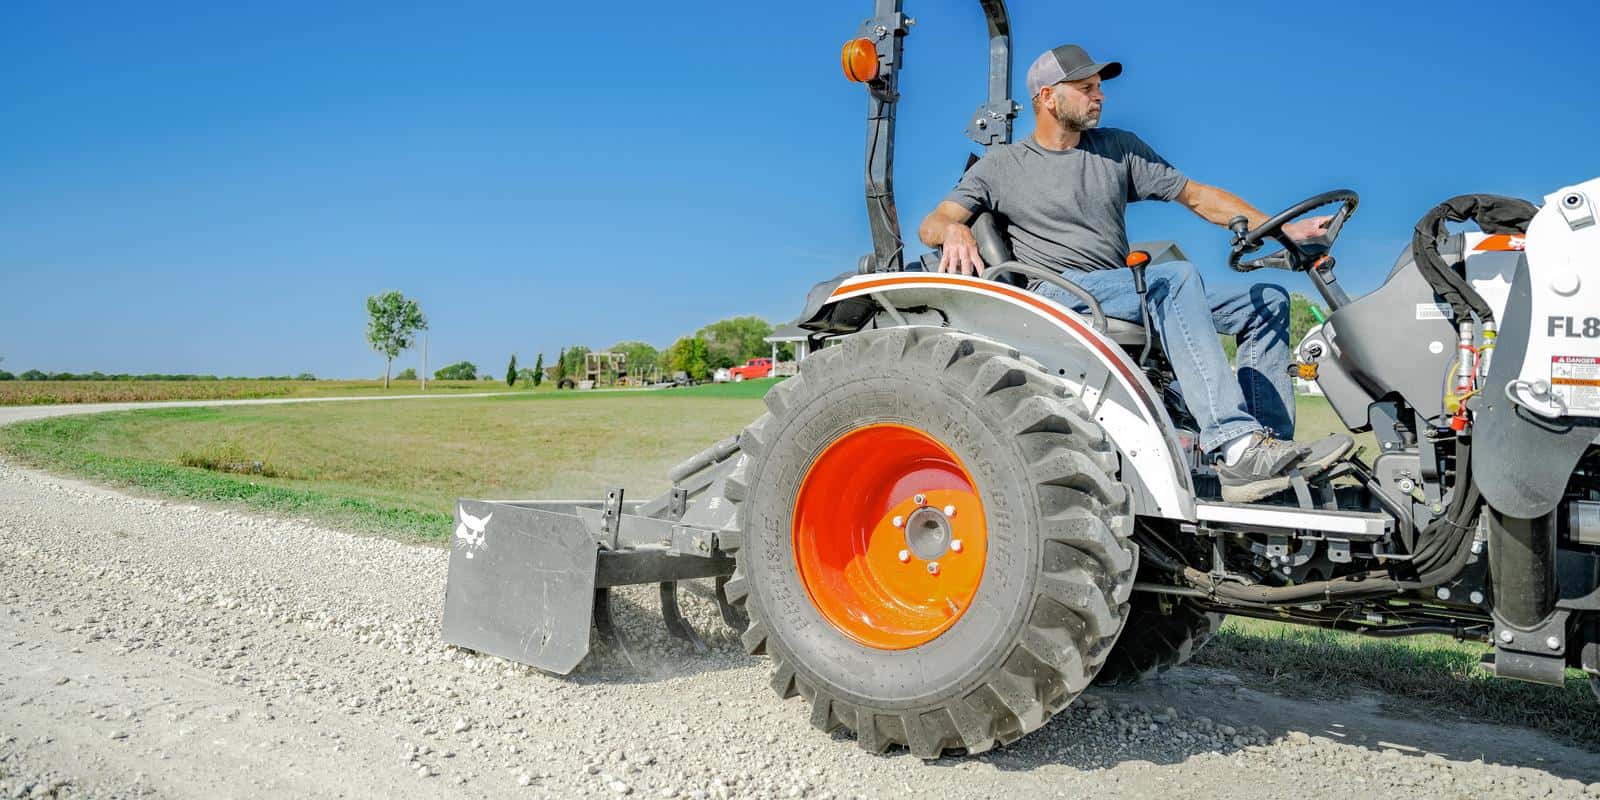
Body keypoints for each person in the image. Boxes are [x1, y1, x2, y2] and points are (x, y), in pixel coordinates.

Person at [917, 44, 1352, 503]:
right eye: (1085, 88)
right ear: (1047, 97)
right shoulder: (1004, 166)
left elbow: (1198, 196)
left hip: (1118, 290)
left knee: (1265, 300)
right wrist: (954, 231)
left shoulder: (1117, 149)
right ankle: (1236, 444)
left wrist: (1285, 230)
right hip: (1060, 296)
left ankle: (1269, 453)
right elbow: (933, 223)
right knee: (1174, 278)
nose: (1098, 97)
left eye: (1100, 88)